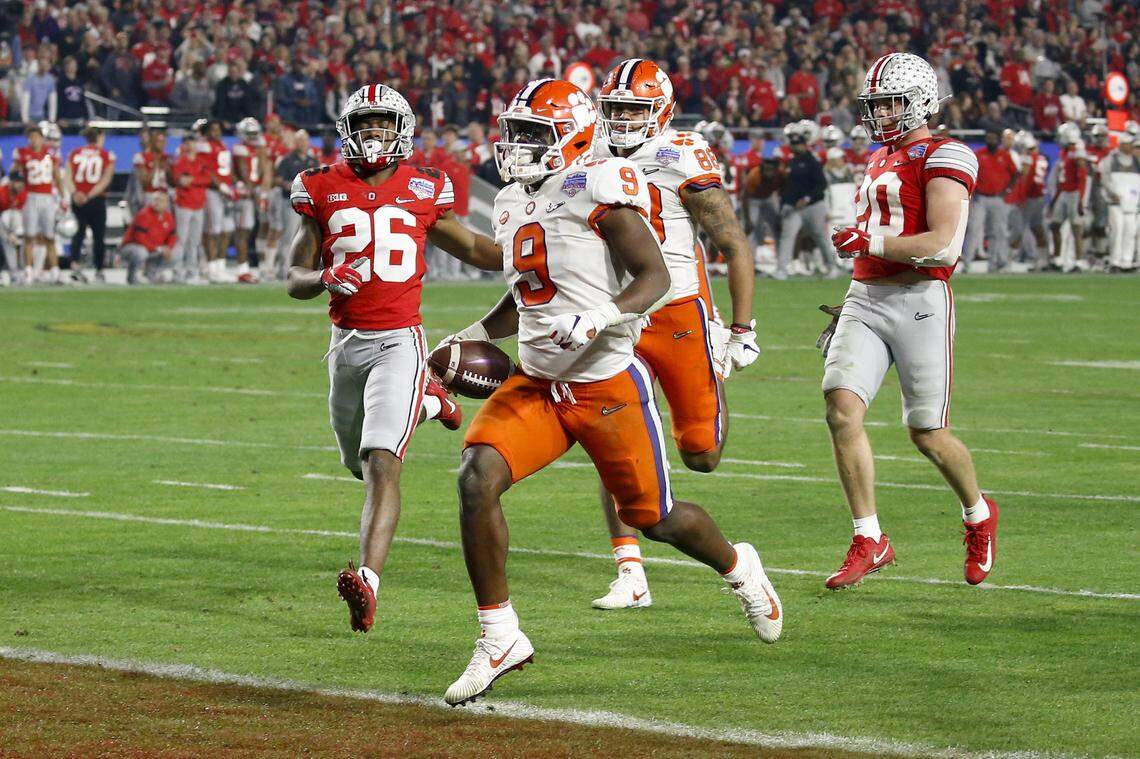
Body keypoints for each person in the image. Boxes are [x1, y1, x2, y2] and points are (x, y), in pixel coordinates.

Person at [441, 79, 782, 708]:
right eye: (512, 131)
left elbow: (655, 276)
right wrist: (470, 334)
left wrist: (601, 315)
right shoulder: (513, 200)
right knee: (475, 477)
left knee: (659, 519)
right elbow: (527, 293)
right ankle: (499, 635)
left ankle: (740, 569)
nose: (516, 146)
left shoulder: (602, 183)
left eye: (531, 133)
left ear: (569, 134)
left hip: (605, 383)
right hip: (539, 380)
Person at [285, 84, 502, 636]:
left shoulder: (425, 187)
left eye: (385, 124)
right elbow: (294, 278)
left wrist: (541, 257)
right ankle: (430, 403)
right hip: (345, 345)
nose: (376, 134)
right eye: (367, 124)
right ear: (349, 129)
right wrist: (325, 277)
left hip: (400, 341)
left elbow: (476, 249)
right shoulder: (320, 187)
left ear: (401, 130)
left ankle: (368, 582)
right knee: (355, 463)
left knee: (382, 463)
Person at [587, 59, 760, 609]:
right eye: (612, 109)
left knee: (701, 455)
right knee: (613, 437)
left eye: (632, 110)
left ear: (659, 111)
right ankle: (629, 569)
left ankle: (712, 374)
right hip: (616, 312)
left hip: (680, 310)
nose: (620, 121)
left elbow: (731, 242)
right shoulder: (584, 153)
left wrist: (739, 327)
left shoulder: (681, 152)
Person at [826, 52, 998, 590]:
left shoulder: (948, 154)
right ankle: (869, 537)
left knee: (927, 433)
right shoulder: (879, 157)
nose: (881, 113)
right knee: (841, 408)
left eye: (891, 102)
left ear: (922, 100)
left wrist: (869, 239)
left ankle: (978, 514)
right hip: (865, 296)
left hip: (920, 298)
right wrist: (863, 249)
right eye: (875, 103)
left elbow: (943, 243)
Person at [12, 124, 70, 285]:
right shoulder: (22, 153)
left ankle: (55, 271)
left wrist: (63, 198)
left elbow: (57, 177)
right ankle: (28, 271)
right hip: (30, 196)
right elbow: (14, 174)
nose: (34, 139)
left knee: (49, 236)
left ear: (42, 138)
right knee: (29, 236)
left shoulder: (51, 154)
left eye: (36, 136)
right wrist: (17, 189)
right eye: (31, 137)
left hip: (47, 197)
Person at [776, 121, 833, 279]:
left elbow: (821, 184)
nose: (796, 146)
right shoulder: (791, 162)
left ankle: (832, 266)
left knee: (820, 236)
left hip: (813, 205)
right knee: (787, 237)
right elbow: (788, 188)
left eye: (798, 144)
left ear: (804, 144)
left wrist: (807, 199)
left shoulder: (812, 161)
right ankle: (781, 270)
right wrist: (785, 204)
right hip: (794, 207)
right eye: (793, 144)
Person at [963, 128, 1017, 272]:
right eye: (988, 138)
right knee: (973, 229)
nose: (990, 141)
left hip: (997, 198)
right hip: (980, 198)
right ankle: (966, 264)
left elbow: (1015, 174)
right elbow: (970, 172)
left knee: (996, 232)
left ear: (998, 140)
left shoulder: (1004, 155)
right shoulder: (979, 154)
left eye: (993, 138)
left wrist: (1007, 190)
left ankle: (992, 264)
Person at [66, 126, 115, 280]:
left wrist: (75, 193)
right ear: (99, 137)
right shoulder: (106, 155)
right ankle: (99, 269)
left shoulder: (75, 152)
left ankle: (75, 265)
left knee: (78, 234)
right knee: (98, 236)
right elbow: (106, 179)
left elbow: (67, 175)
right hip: (96, 199)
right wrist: (89, 195)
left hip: (77, 198)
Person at [271, 131, 316, 279]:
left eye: (305, 140)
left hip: (308, 206)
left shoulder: (312, 161)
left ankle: (298, 268)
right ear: (295, 143)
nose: (303, 143)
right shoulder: (287, 160)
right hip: (289, 203)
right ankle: (283, 270)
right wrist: (289, 184)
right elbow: (277, 179)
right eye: (300, 141)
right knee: (288, 236)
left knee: (305, 237)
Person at [169, 135, 211, 282]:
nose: (190, 145)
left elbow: (208, 179)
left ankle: (191, 272)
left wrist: (193, 180)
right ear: (183, 145)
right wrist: (196, 180)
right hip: (184, 205)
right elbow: (180, 181)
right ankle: (177, 271)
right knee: (181, 240)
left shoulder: (201, 161)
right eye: (187, 143)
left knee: (194, 241)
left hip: (198, 205)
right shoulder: (179, 161)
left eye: (192, 142)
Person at [1049, 126, 1090, 273]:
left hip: (1074, 193)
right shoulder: (1064, 152)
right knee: (1055, 226)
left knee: (1076, 228)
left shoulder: (1077, 151)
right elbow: (1062, 179)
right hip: (1064, 192)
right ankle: (1058, 259)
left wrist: (1081, 199)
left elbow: (1083, 177)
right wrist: (1054, 200)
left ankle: (1078, 261)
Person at [199, 119, 235, 282]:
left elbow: (227, 169)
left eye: (218, 129)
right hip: (213, 191)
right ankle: (211, 266)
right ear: (206, 132)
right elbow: (205, 170)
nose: (216, 132)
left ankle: (220, 266)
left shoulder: (223, 145)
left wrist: (233, 184)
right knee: (213, 230)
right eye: (213, 130)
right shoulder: (205, 146)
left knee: (226, 229)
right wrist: (220, 186)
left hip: (225, 192)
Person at [1099, 133, 1140, 272]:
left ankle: (1126, 262)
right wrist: (1111, 193)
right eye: (1130, 144)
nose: (1132, 147)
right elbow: (1104, 178)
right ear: (1122, 144)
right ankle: (1115, 261)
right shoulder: (1111, 159)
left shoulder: (1136, 160)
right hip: (1115, 201)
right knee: (1117, 231)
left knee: (1130, 231)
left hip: (1132, 202)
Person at [230, 117, 264, 283]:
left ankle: (246, 267)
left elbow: (261, 170)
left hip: (251, 193)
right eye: (249, 134)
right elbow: (244, 173)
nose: (252, 137)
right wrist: (254, 192)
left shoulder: (256, 149)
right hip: (244, 195)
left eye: (254, 133)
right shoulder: (240, 149)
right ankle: (242, 269)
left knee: (249, 231)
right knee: (243, 232)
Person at [122, 191, 177, 284]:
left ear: (166, 203)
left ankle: (153, 274)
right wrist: (158, 248)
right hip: (131, 247)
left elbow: (173, 236)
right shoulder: (144, 214)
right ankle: (132, 276)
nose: (157, 203)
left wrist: (168, 248)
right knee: (141, 252)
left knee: (176, 252)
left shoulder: (168, 216)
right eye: (155, 200)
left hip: (154, 248)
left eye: (160, 200)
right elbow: (140, 238)